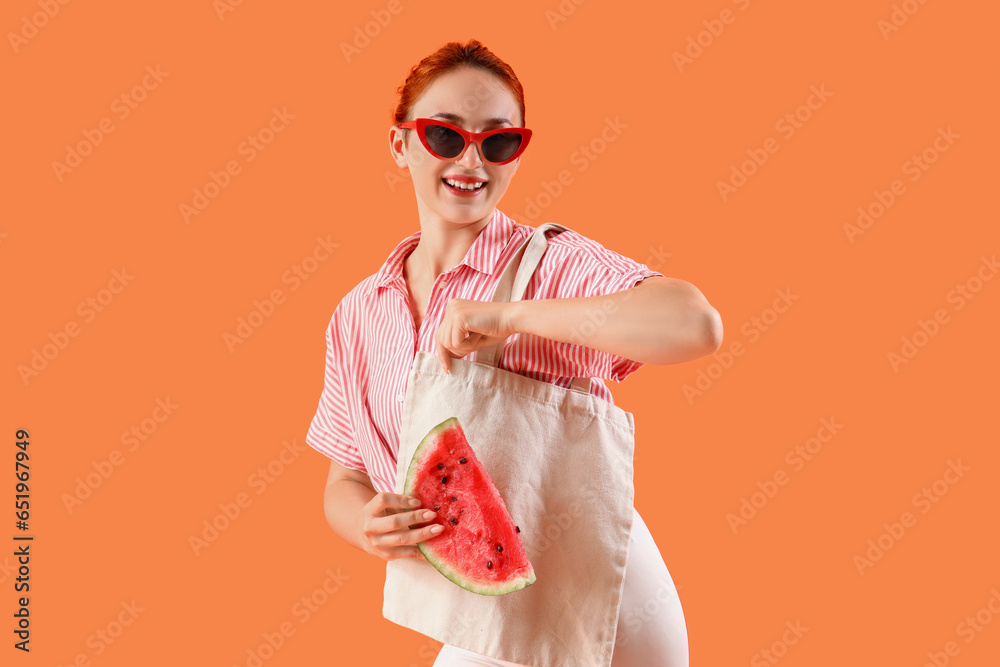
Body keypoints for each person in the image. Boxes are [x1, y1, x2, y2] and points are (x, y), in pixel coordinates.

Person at [306, 39, 722, 667]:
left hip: (597, 584)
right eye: (445, 135)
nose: (471, 159)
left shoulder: (549, 263)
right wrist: (367, 524)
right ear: (401, 144)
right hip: (490, 604)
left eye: (498, 142)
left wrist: (507, 316)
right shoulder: (360, 313)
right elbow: (344, 478)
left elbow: (695, 325)